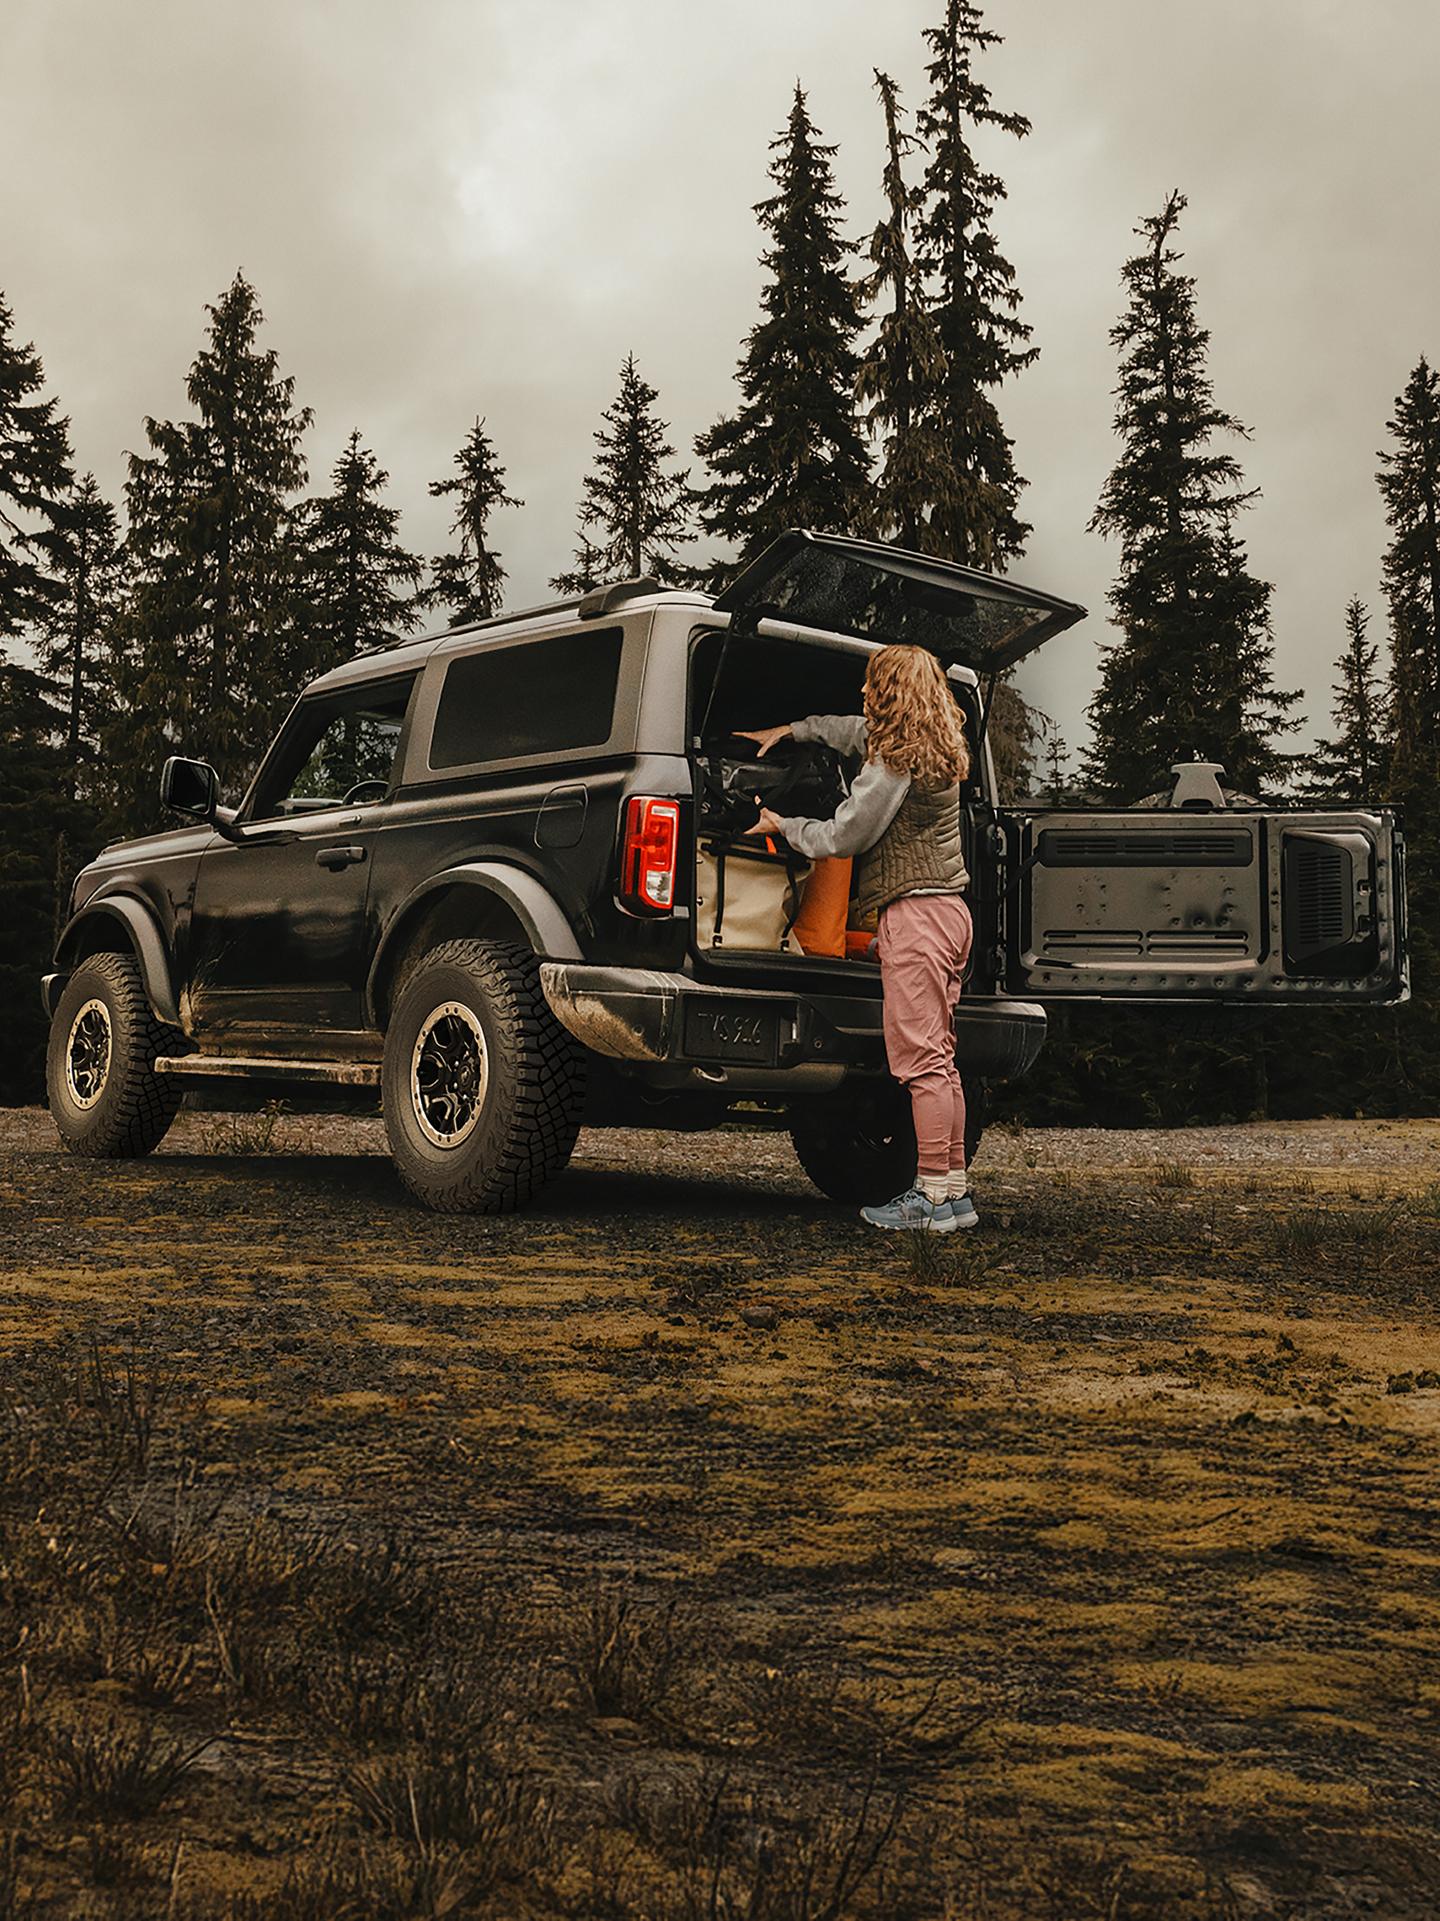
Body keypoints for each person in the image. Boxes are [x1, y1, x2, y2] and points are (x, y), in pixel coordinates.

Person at [740, 644, 976, 1235]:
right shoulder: (936, 745)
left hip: (917, 917)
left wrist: (784, 825)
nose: (865, 693)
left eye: (873, 685)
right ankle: (953, 1194)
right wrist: (793, 730)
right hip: (950, 914)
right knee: (942, 1062)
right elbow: (851, 731)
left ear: (892, 692)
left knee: (921, 1064)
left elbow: (844, 835)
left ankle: (930, 1198)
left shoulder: (894, 764)